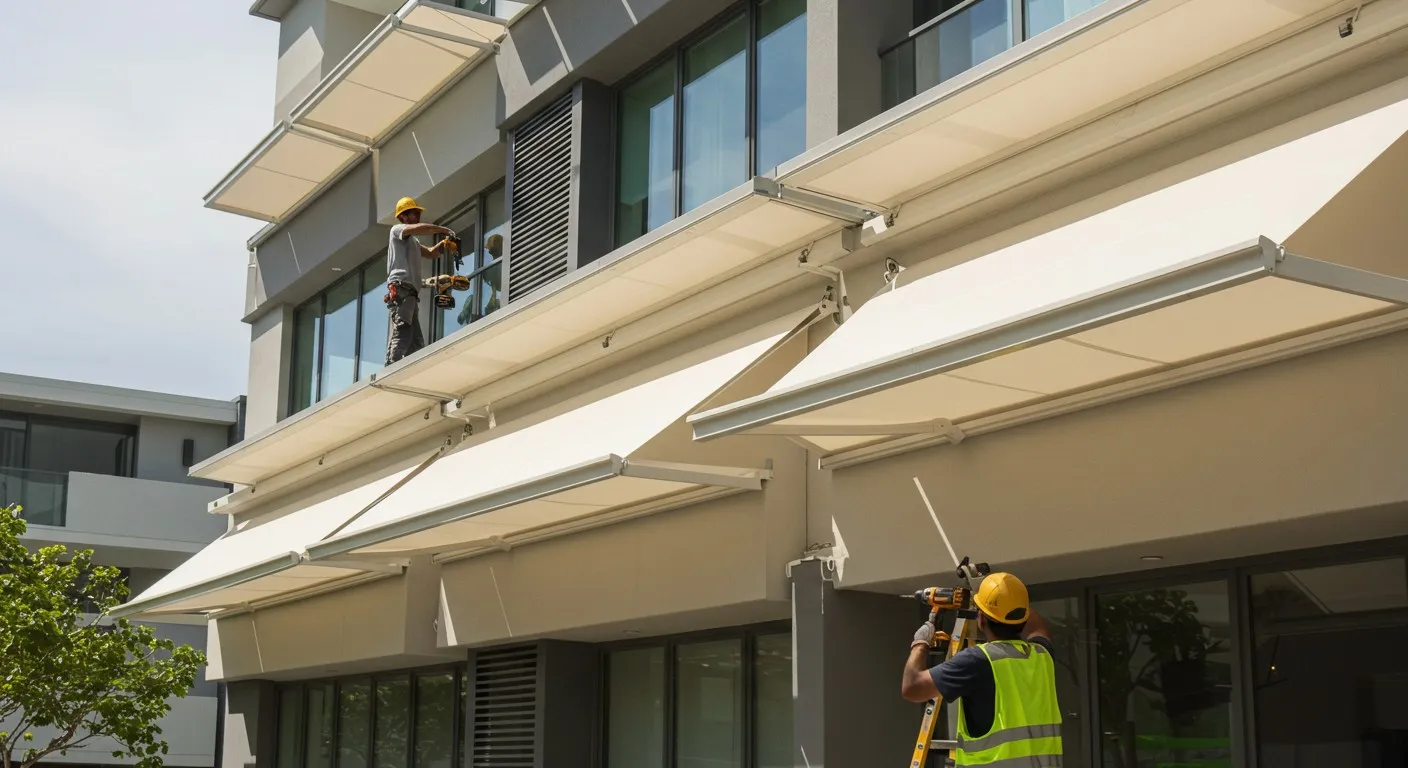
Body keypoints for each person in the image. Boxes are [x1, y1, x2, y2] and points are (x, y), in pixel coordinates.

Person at [901, 572, 1063, 767]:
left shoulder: (979, 660)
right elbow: (1038, 628)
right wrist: (1003, 595)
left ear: (982, 619)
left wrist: (920, 643)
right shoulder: (1041, 655)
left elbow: (912, 687)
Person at [385, 197, 455, 365]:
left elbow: (431, 253)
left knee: (416, 342)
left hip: (410, 293)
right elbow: (419, 228)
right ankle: (391, 365)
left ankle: (410, 368)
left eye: (418, 213)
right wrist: (441, 229)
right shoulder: (397, 231)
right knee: (403, 329)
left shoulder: (413, 242)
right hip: (402, 288)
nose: (418, 216)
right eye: (414, 213)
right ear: (403, 217)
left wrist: (444, 244)